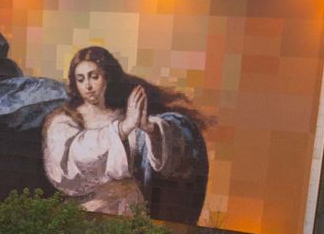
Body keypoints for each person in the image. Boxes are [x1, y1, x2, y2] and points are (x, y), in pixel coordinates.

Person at [41, 46, 208, 221]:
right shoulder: (63, 119)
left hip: (129, 207)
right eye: (81, 79)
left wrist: (150, 129)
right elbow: (72, 159)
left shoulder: (125, 114)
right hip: (87, 210)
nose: (88, 86)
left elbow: (161, 160)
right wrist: (122, 129)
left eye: (94, 77)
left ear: (107, 77)